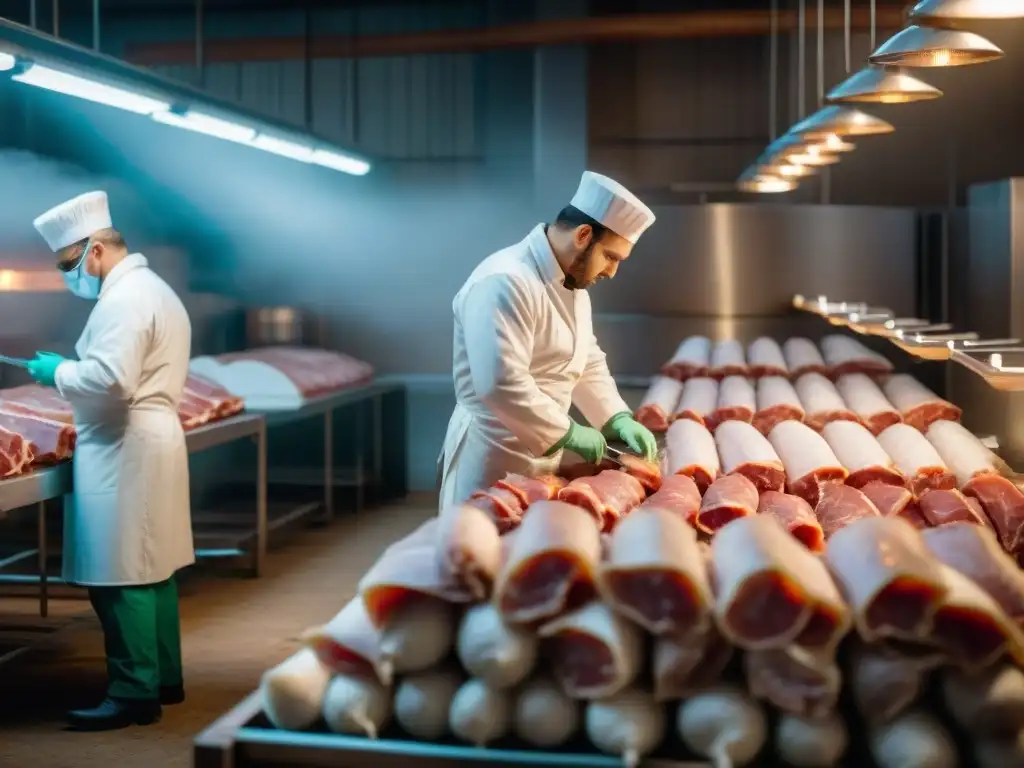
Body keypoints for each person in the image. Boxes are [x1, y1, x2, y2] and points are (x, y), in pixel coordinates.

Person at [29, 191, 194, 731]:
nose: (67, 276)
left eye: (68, 264)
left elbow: (110, 381)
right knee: (154, 571)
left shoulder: (124, 300)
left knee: (121, 575)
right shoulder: (154, 290)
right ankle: (164, 679)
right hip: (149, 439)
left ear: (95, 250)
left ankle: (132, 693)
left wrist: (56, 372)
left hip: (126, 445)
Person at [439, 171, 659, 509]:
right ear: (584, 235)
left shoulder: (571, 281)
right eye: (611, 257)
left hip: (542, 456)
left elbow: (583, 357)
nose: (612, 271)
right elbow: (500, 383)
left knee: (530, 554)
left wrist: (615, 416)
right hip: (491, 455)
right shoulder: (505, 280)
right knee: (482, 552)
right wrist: (568, 432)